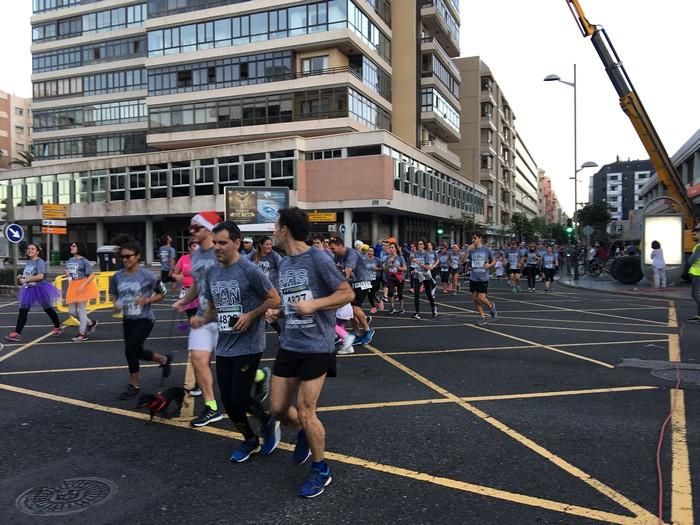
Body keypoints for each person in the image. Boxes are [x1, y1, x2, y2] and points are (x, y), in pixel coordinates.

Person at [266, 207, 355, 498]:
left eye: (275, 226)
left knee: (306, 410)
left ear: (285, 230)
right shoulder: (283, 263)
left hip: (317, 346)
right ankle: (304, 431)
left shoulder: (318, 257)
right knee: (278, 409)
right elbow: (294, 302)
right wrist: (278, 313)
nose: (272, 231)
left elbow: (346, 293)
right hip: (290, 345)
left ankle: (321, 469)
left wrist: (315, 305)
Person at [191, 221, 282, 462]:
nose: (217, 248)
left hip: (250, 344)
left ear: (237, 244)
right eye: (215, 243)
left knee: (240, 396)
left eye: (223, 243)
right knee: (228, 401)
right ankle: (250, 439)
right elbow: (212, 306)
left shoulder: (249, 269)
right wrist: (201, 319)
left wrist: (251, 315)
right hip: (225, 345)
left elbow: (274, 298)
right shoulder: (212, 272)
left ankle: (267, 422)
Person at [174, 211, 225, 425]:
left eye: (196, 227)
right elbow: (197, 283)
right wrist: (184, 301)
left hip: (225, 316)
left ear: (209, 230)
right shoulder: (194, 256)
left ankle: (259, 376)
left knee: (229, 366)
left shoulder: (222, 252)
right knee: (198, 359)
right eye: (190, 228)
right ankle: (211, 407)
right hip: (203, 316)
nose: (191, 231)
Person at [109, 241, 172, 400]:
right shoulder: (117, 276)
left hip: (145, 319)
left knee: (130, 349)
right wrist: (115, 304)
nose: (125, 259)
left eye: (129, 256)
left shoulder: (148, 275)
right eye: (122, 257)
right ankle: (163, 359)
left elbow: (163, 292)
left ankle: (134, 385)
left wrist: (148, 300)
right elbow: (114, 294)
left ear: (137, 256)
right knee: (136, 351)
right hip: (128, 319)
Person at [6, 243, 63, 342]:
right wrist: (21, 278)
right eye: (28, 249)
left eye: (32, 249)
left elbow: (40, 276)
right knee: (23, 310)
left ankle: (57, 327)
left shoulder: (39, 262)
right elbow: (27, 277)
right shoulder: (29, 262)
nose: (30, 250)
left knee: (48, 309)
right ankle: (17, 333)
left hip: (39, 289)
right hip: (28, 289)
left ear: (37, 251)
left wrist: (26, 280)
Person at [328, 236, 375, 345]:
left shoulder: (351, 254)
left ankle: (368, 330)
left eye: (333, 248)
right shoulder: (338, 256)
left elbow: (347, 273)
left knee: (355, 308)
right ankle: (357, 333)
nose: (331, 251)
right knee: (350, 310)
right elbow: (332, 269)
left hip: (362, 282)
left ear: (340, 246)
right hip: (353, 283)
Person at [64, 242, 99, 342]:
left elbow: (91, 275)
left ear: (79, 248)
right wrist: (68, 274)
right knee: (72, 312)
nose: (71, 247)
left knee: (82, 311)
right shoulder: (70, 260)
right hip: (73, 286)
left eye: (74, 246)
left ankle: (81, 334)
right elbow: (71, 274)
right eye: (71, 245)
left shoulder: (84, 261)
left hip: (83, 286)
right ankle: (90, 323)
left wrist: (83, 285)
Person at [467, 233, 497, 325]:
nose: (473, 240)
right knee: (475, 299)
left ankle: (491, 305)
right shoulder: (471, 251)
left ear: (479, 239)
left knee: (481, 298)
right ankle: (483, 317)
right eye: (472, 238)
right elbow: (466, 261)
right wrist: (469, 266)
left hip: (483, 277)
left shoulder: (486, 249)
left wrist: (489, 265)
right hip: (473, 277)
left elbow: (494, 260)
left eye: (474, 238)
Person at [172, 240, 200, 321]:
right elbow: (174, 274)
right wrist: (177, 277)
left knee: (199, 316)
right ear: (189, 247)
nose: (197, 248)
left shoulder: (203, 259)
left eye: (198, 246)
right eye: (194, 246)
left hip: (199, 291)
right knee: (191, 316)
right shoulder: (183, 258)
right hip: (186, 291)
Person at [410, 239, 437, 319]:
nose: (420, 246)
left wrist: (418, 262)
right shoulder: (416, 254)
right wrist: (414, 270)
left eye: (421, 244)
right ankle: (417, 312)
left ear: (424, 245)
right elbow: (415, 266)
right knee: (416, 294)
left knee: (428, 294)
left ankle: (433, 309)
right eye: (418, 244)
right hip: (418, 275)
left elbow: (427, 267)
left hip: (425, 275)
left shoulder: (427, 254)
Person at [384, 241, 407, 314]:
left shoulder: (400, 257)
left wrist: (397, 267)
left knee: (400, 293)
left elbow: (405, 268)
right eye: (390, 247)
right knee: (390, 292)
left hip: (399, 277)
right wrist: (388, 263)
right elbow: (385, 269)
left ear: (396, 249)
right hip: (391, 276)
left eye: (392, 247)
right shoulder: (388, 257)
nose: (390, 249)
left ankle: (402, 307)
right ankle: (392, 307)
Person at [688, 226, 700, 322]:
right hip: (697, 274)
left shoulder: (699, 246)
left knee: (696, 295)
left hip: (698, 274)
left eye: (694, 234)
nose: (693, 236)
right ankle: (698, 315)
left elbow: (692, 260)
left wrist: (689, 261)